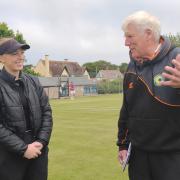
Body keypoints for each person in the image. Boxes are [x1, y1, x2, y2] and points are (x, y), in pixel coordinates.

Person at [117, 11, 180, 180]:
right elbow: (127, 110)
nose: (125, 42)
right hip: (138, 156)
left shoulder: (177, 59)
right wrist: (122, 144)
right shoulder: (131, 67)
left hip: (173, 156)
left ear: (148, 34)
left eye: (130, 36)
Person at [0, 37, 53, 180]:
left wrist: (41, 142)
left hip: (38, 152)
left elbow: (46, 112)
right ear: (1, 58)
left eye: (22, 53)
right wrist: (23, 149)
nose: (20, 57)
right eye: (14, 53)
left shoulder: (34, 81)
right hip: (9, 156)